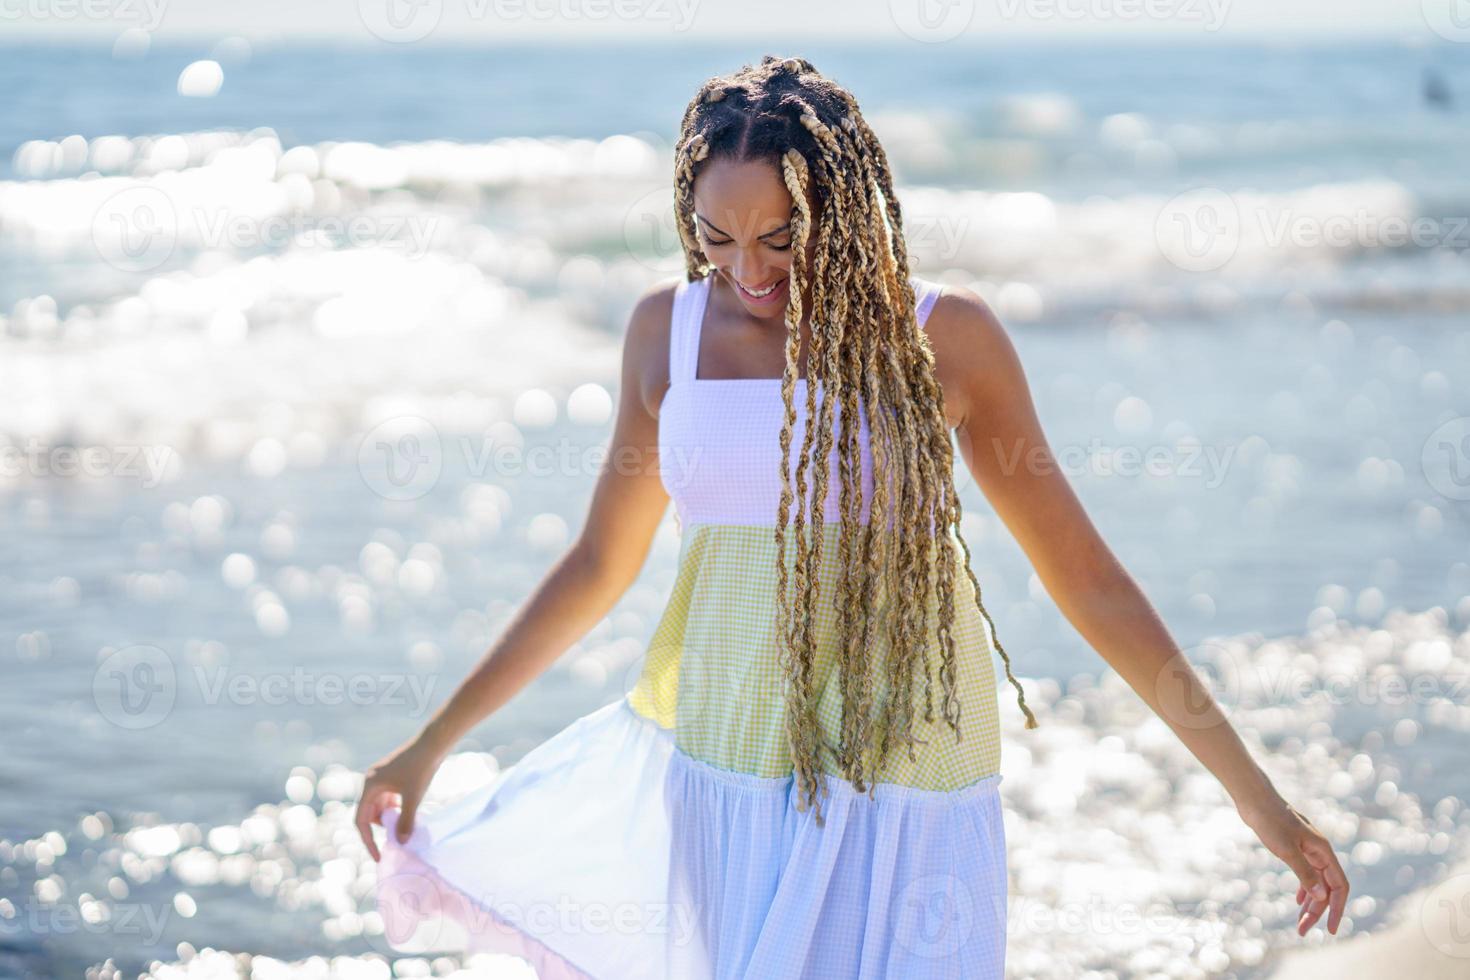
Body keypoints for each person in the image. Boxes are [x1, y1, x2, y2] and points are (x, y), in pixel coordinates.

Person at [354, 54, 1350, 979]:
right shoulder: (668, 333)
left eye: (782, 238)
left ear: (847, 208)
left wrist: (1252, 793)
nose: (748, 269)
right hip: (728, 773)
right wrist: (429, 743)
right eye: (716, 237)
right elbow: (596, 564)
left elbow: (1085, 577)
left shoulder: (945, 338)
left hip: (908, 788)